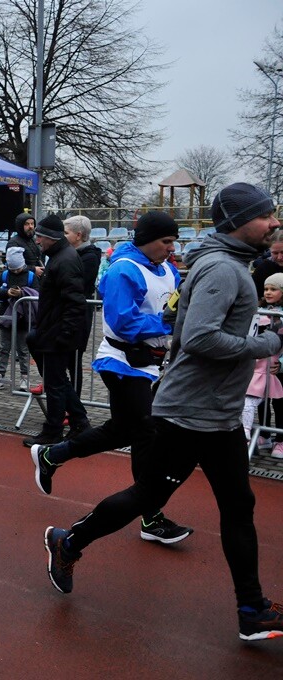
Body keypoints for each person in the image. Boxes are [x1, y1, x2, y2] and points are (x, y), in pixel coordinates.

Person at [43, 183, 283, 642]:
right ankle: (67, 541)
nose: (274, 222)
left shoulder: (231, 264)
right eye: (265, 215)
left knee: (238, 506)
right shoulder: (222, 269)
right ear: (238, 221)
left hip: (219, 412)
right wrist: (267, 343)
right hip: (189, 412)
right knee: (147, 496)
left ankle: (251, 608)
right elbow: (200, 338)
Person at [30, 211, 192, 544]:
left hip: (151, 363)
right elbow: (123, 322)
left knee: (122, 430)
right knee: (147, 431)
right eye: (166, 241)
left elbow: (172, 309)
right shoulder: (123, 270)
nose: (172, 248)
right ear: (147, 240)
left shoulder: (168, 269)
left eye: (174, 241)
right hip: (121, 362)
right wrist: (167, 324)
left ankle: (52, 455)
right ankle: (151, 517)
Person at [22, 215, 89, 447]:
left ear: (51, 237)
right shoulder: (60, 257)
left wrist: (64, 335)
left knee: (55, 385)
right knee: (59, 381)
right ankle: (79, 422)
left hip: (58, 332)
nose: (37, 240)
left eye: (40, 236)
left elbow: (75, 302)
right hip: (53, 330)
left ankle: (53, 431)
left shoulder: (65, 260)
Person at [242, 274, 283, 458]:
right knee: (261, 402)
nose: (268, 292)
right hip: (260, 367)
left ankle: (280, 440)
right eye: (266, 289)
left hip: (278, 368)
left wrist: (282, 364)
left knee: (280, 405)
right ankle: (264, 435)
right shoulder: (260, 312)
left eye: (273, 289)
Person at [64, 216, 102, 395]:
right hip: (67, 312)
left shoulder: (90, 257)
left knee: (74, 360)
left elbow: (77, 284)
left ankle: (74, 399)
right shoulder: (69, 253)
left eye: (66, 233)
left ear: (78, 235)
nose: (63, 236)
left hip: (79, 314)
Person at [0, 247, 36, 392]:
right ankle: (0, 376)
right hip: (6, 317)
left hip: (24, 318)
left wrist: (22, 293)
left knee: (23, 349)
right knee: (4, 348)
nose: (15, 272)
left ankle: (25, 377)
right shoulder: (4, 275)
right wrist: (7, 293)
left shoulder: (31, 276)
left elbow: (37, 294)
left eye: (18, 269)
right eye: (12, 269)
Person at [8, 211, 44, 278]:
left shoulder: (34, 240)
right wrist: (33, 269)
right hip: (22, 280)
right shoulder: (13, 243)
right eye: (26, 224)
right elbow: (14, 266)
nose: (30, 227)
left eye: (32, 224)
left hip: (36, 279)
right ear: (20, 226)